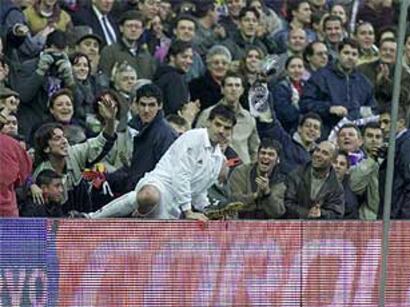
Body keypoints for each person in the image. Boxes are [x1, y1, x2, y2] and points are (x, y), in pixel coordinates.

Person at [85, 104, 237, 220]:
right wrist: (188, 211)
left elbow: (198, 191)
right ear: (209, 122)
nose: (221, 130)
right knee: (149, 196)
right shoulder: (193, 137)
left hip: (175, 205)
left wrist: (208, 210)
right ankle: (92, 218)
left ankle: (138, 215)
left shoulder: (218, 159)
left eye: (227, 128)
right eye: (218, 124)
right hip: (160, 184)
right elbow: (180, 174)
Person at [32, 95, 118, 213]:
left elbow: (102, 141)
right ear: (46, 148)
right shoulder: (40, 174)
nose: (64, 141)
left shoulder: (74, 153)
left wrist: (110, 120)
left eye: (64, 137)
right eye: (57, 139)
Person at [300, 38, 376, 138]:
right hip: (326, 132)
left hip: (355, 135)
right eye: (346, 53)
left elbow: (373, 108)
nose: (350, 57)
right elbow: (305, 104)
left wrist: (364, 112)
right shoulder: (320, 77)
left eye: (354, 54)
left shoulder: (364, 82)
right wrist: (329, 108)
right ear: (338, 54)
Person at [196, 71, 260, 164]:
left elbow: (254, 150)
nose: (233, 89)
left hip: (241, 173)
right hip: (213, 168)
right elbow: (197, 143)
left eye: (237, 85)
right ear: (222, 89)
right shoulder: (207, 114)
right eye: (229, 85)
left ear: (242, 90)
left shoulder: (249, 118)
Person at [284, 140, 344, 219]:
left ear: (332, 161)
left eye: (325, 153)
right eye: (317, 150)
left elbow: (337, 214)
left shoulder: (336, 187)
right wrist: (306, 213)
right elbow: (286, 203)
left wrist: (321, 213)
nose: (318, 155)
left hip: (320, 229)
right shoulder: (296, 175)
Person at [228, 138, 286, 219]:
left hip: (267, 226)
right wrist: (255, 196)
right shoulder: (240, 172)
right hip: (240, 222)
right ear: (257, 156)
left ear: (277, 160)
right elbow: (234, 200)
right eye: (263, 153)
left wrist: (267, 193)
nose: (266, 157)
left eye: (271, 154)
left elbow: (278, 212)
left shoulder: (280, 181)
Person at [378, 93, 410, 219]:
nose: (382, 127)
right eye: (380, 122)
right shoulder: (396, 146)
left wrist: (404, 222)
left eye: (386, 122)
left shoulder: (408, 146)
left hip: (400, 221)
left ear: (401, 123)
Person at [99, 10, 156, 80]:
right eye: (129, 26)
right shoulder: (109, 51)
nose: (133, 29)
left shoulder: (146, 55)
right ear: (121, 28)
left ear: (142, 30)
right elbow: (104, 78)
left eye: (137, 27)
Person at [0, 107, 32, 217]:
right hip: (7, 209)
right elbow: (24, 174)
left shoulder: (13, 145)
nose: (11, 126)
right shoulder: (13, 145)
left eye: (14, 123)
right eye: (7, 122)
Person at [349, 122, 383, 220]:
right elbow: (354, 186)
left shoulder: (389, 160)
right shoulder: (355, 159)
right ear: (362, 139)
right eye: (370, 136)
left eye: (378, 137)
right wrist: (371, 160)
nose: (374, 140)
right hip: (368, 217)